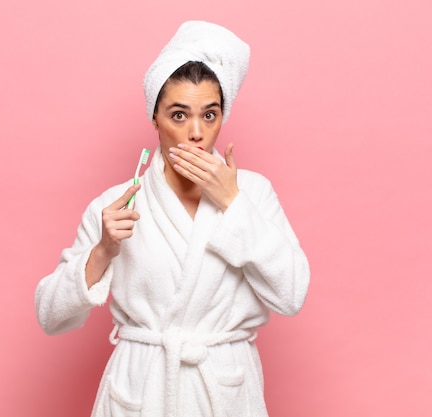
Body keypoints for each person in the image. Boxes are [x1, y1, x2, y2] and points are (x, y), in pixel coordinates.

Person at [35, 20, 310, 417]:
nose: (196, 132)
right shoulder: (116, 203)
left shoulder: (252, 194)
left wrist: (233, 204)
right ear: (154, 118)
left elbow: (292, 296)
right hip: (140, 393)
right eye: (179, 116)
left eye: (209, 115)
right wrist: (102, 251)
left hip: (223, 393)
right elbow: (50, 316)